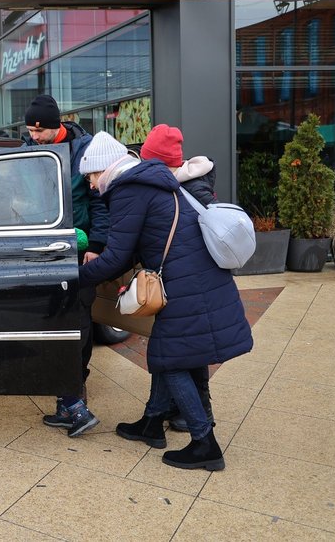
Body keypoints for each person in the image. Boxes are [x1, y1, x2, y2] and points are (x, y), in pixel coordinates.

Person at [77, 132, 252, 471]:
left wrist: (77, 278)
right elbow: (134, 246)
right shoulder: (147, 182)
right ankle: (152, 423)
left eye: (92, 176)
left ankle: (205, 444)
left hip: (188, 284)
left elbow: (115, 257)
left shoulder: (129, 189)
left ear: (106, 168)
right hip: (197, 278)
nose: (92, 185)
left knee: (169, 359)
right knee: (182, 353)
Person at [22, 94, 109, 437]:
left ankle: (75, 391)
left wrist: (96, 244)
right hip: (40, 249)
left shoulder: (84, 152)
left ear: (55, 126)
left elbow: (99, 200)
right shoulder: (27, 150)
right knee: (52, 320)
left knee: (80, 320)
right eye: (29, 130)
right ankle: (66, 398)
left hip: (77, 249)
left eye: (38, 131)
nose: (33, 137)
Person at [140, 124, 216, 431]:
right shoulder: (190, 183)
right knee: (190, 347)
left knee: (180, 350)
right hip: (194, 277)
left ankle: (200, 419)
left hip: (191, 279)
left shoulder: (184, 189)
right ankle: (166, 412)